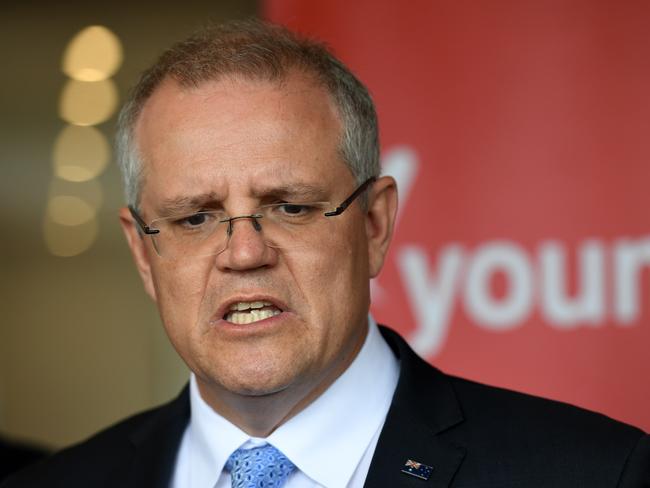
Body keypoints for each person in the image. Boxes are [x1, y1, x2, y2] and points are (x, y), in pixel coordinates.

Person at [3, 19, 649, 488]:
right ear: (144, 255)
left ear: (373, 224)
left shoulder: (596, 473)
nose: (245, 253)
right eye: (196, 217)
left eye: (290, 206)